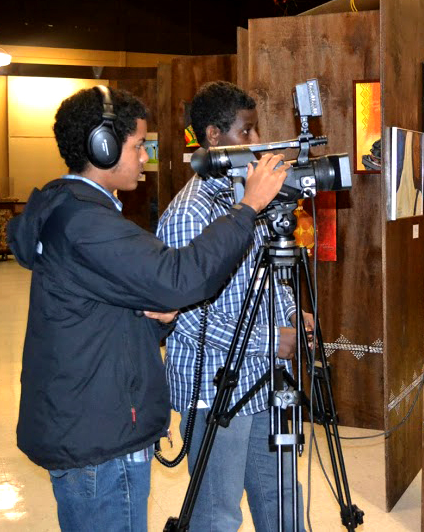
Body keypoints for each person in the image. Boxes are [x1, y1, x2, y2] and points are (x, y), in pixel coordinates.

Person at [7, 85, 288, 532]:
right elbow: (180, 279)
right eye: (138, 145)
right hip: (98, 439)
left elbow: (112, 316)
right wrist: (248, 208)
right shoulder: (86, 223)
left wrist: (157, 319)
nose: (145, 157)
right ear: (102, 148)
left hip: (100, 422)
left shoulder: (83, 214)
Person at [157, 81, 307, 531]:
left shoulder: (246, 199)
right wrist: (272, 340)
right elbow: (190, 318)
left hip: (261, 379)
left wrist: (291, 313)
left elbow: (265, 274)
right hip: (213, 386)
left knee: (281, 498)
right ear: (214, 136)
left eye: (257, 130)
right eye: (247, 132)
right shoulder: (190, 213)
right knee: (217, 513)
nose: (257, 142)